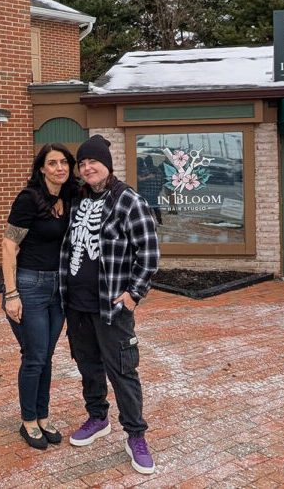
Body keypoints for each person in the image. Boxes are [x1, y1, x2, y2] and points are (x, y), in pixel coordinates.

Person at [60, 134, 160, 475]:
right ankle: (97, 417)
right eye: (82, 163)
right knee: (87, 364)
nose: (87, 167)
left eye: (93, 162)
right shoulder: (76, 200)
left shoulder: (129, 201)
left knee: (122, 370)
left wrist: (133, 295)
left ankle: (136, 435)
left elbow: (149, 254)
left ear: (107, 164)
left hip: (112, 305)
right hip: (77, 305)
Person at [1, 143, 76, 450]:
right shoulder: (28, 199)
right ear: (42, 168)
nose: (60, 167)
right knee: (33, 357)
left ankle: (43, 416)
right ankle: (28, 420)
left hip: (58, 287)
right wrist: (11, 294)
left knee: (46, 355)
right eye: (52, 163)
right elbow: (8, 246)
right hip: (29, 285)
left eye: (64, 163)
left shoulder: (69, 197)